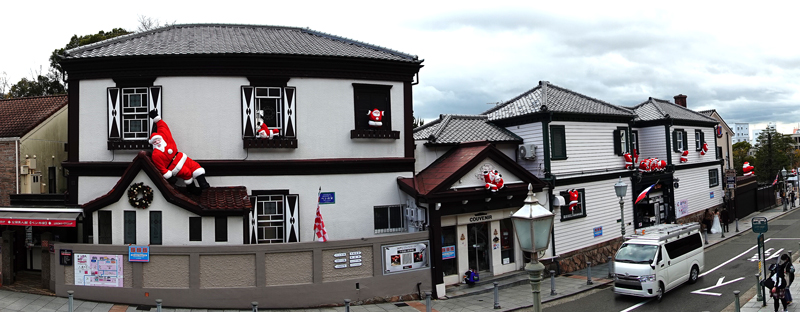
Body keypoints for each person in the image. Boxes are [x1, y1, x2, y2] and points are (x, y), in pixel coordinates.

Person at [148, 109, 210, 195]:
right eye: (154, 142)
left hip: (180, 157)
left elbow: (163, 128)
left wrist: (157, 119)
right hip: (173, 166)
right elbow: (160, 167)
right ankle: (192, 189)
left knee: (195, 166)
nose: (157, 142)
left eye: (158, 140)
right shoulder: (156, 154)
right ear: (153, 144)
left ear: (161, 139)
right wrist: (169, 177)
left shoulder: (166, 138)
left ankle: (203, 183)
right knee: (187, 173)